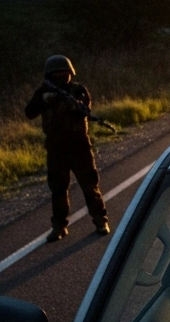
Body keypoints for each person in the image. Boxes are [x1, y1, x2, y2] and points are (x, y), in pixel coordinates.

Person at [26, 55, 110, 242]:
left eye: (64, 72)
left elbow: (85, 110)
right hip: (56, 148)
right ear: (50, 75)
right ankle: (59, 227)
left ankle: (100, 221)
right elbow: (29, 112)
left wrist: (72, 104)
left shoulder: (78, 90)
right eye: (57, 73)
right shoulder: (43, 93)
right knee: (58, 189)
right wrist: (44, 100)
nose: (61, 75)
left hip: (79, 145)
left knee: (90, 186)